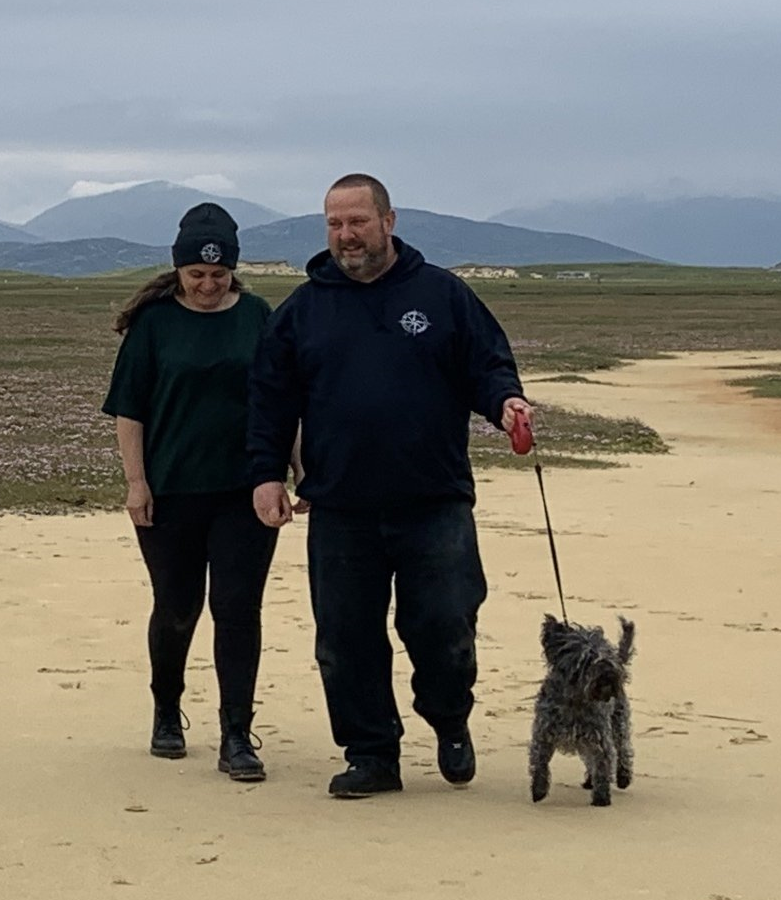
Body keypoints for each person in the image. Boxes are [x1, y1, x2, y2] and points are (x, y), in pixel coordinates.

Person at [246, 173, 533, 798]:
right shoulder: (303, 310)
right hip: (341, 504)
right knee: (345, 639)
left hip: (434, 501)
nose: (346, 236)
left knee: (444, 625)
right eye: (334, 224)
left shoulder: (442, 295)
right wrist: (267, 473)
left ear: (388, 221)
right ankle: (372, 752)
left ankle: (449, 717)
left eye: (358, 222)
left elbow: (487, 364)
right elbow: (270, 400)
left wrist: (505, 402)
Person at [101, 202, 299, 782]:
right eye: (196, 276)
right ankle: (167, 708)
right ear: (179, 271)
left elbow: (283, 402)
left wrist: (297, 468)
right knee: (178, 606)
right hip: (171, 493)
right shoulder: (155, 324)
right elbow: (129, 410)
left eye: (218, 275)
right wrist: (136, 482)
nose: (208, 286)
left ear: (233, 270)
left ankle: (237, 733)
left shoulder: (259, 316)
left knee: (237, 610)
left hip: (246, 491)